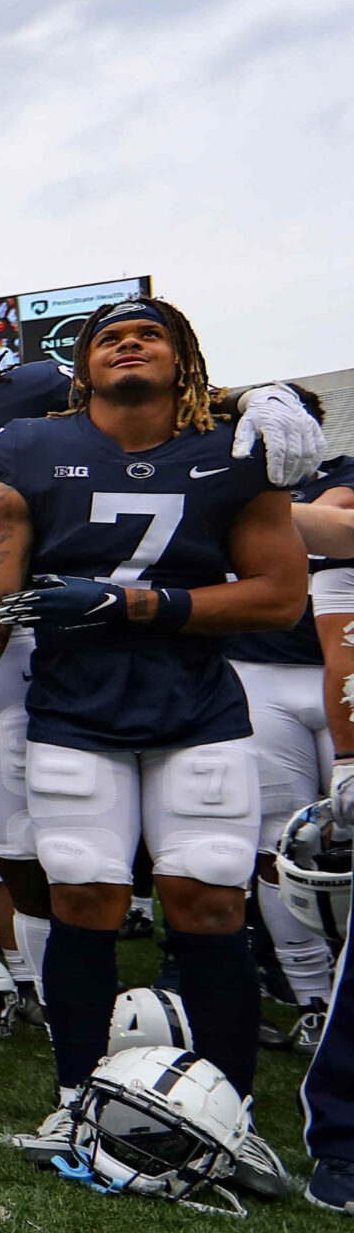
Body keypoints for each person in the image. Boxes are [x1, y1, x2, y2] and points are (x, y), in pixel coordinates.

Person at [0, 265, 324, 1113]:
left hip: (16, 633)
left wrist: (263, 397)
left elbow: (162, 392)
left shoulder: (33, 391)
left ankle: (66, 1032)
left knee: (42, 852)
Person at [227, 426, 354, 1051]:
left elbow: (338, 523)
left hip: (343, 667)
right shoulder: (221, 475)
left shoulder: (340, 476)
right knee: (277, 842)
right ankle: (312, 998)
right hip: (256, 673)